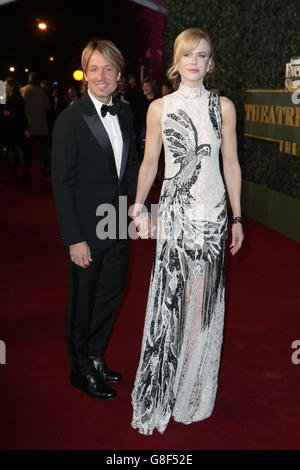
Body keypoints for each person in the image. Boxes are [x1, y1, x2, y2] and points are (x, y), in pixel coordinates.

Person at [131, 28, 244, 434]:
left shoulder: (224, 107)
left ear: (211, 63)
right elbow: (149, 164)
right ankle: (166, 384)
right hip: (177, 218)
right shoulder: (159, 108)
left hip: (213, 218)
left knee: (203, 306)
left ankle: (193, 389)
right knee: (172, 303)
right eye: (188, 55)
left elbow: (230, 164)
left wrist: (237, 217)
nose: (195, 62)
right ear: (175, 61)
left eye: (203, 55)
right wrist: (139, 204)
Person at [51, 39, 150, 401]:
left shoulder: (124, 112)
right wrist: (73, 238)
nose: (101, 75)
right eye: (94, 68)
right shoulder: (70, 119)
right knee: (82, 299)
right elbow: (62, 184)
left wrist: (141, 210)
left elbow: (133, 166)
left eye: (108, 68)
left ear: (119, 74)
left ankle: (95, 356)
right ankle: (80, 370)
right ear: (84, 74)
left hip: (118, 219)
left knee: (112, 291)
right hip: (85, 227)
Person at [21, 72, 51, 177]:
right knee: (44, 148)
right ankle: (48, 167)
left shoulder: (24, 90)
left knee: (27, 149)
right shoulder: (41, 91)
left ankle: (26, 169)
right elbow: (48, 106)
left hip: (28, 123)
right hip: (41, 124)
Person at [3, 77, 29, 180]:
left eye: (6, 85)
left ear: (11, 87)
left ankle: (18, 171)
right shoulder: (16, 97)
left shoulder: (14, 98)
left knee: (14, 148)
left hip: (13, 127)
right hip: (16, 126)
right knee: (16, 149)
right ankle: (20, 171)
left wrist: (5, 113)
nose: (5, 87)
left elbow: (12, 113)